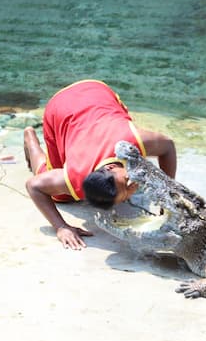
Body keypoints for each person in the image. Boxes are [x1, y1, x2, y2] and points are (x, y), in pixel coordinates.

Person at [23, 79, 177, 250]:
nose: (132, 184)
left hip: (96, 92)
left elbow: (168, 146)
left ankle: (31, 136)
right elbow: (33, 186)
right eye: (127, 188)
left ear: (111, 168)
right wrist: (61, 227)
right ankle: (31, 141)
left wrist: (167, 195)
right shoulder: (75, 177)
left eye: (125, 183)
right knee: (61, 197)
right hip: (59, 110)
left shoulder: (132, 141)